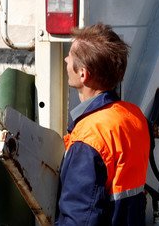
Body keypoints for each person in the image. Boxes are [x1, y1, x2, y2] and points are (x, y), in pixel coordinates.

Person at [56, 23, 150, 225]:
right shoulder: (134, 117)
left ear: (83, 74)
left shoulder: (89, 137)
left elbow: (80, 217)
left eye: (70, 56)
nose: (65, 59)